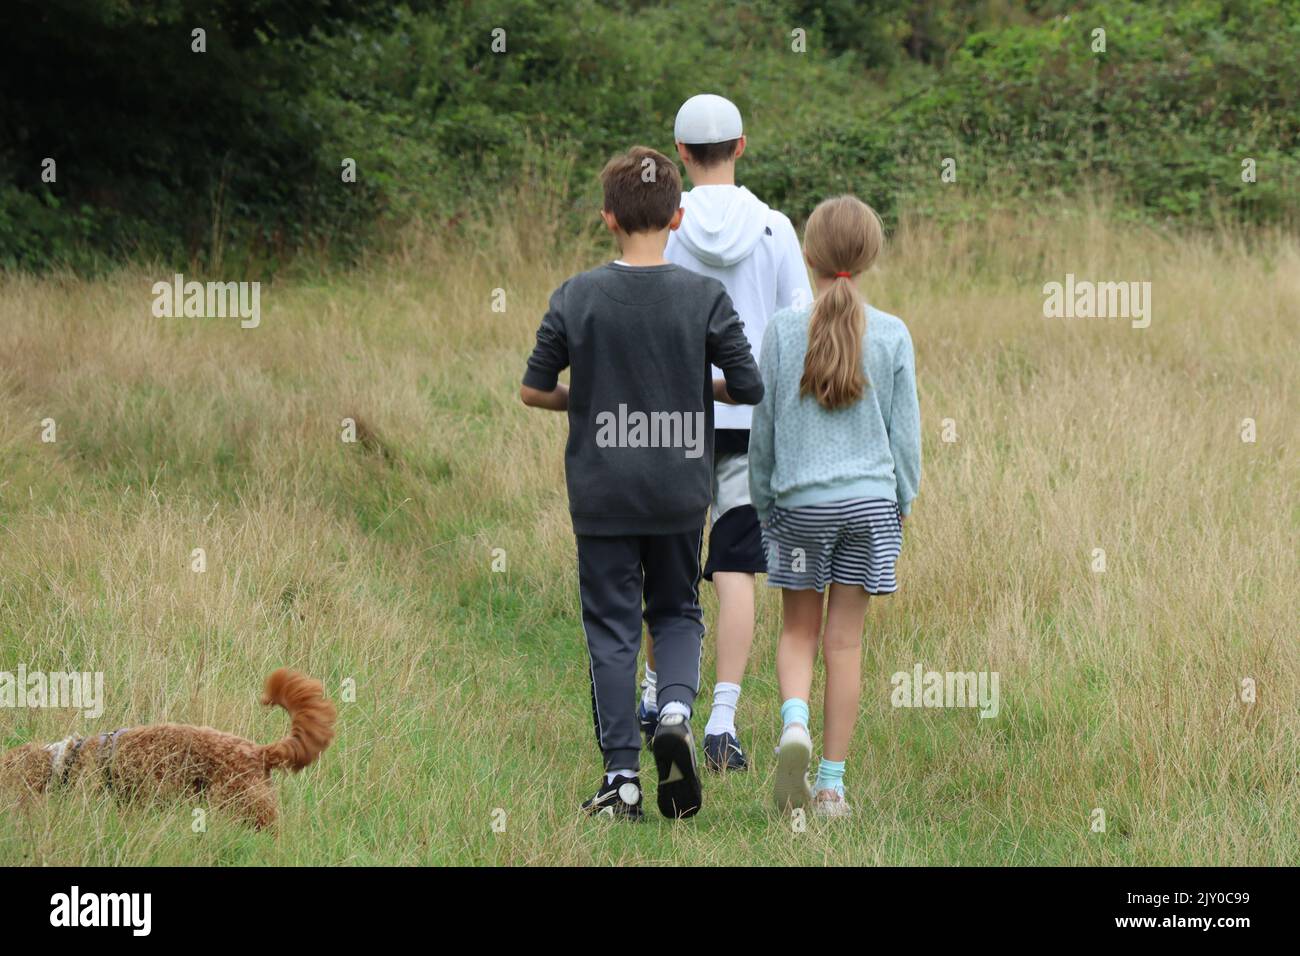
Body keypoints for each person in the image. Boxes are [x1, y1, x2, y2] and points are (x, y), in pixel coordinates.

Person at [520, 146, 763, 820]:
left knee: (611, 628)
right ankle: (679, 710)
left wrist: (589, 398)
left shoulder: (576, 296)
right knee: (678, 608)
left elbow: (534, 390)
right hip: (681, 488)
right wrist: (694, 389)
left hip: (602, 490)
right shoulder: (704, 296)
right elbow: (750, 385)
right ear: (678, 216)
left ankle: (622, 777)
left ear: (607, 218)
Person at [639, 93, 812, 773]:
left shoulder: (668, 227)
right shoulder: (774, 228)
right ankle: (722, 723)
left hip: (675, 417)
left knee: (668, 561)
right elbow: (795, 328)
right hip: (751, 421)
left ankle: (658, 698)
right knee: (736, 570)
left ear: (679, 152)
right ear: (742, 145)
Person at [748, 195, 921, 818]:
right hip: (872, 505)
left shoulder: (782, 332)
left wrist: (766, 502)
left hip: (801, 506)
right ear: (869, 256)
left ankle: (794, 723)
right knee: (843, 645)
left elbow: (762, 432)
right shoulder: (894, 334)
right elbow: (906, 440)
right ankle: (830, 786)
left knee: (798, 629)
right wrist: (901, 501)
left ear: (808, 253)